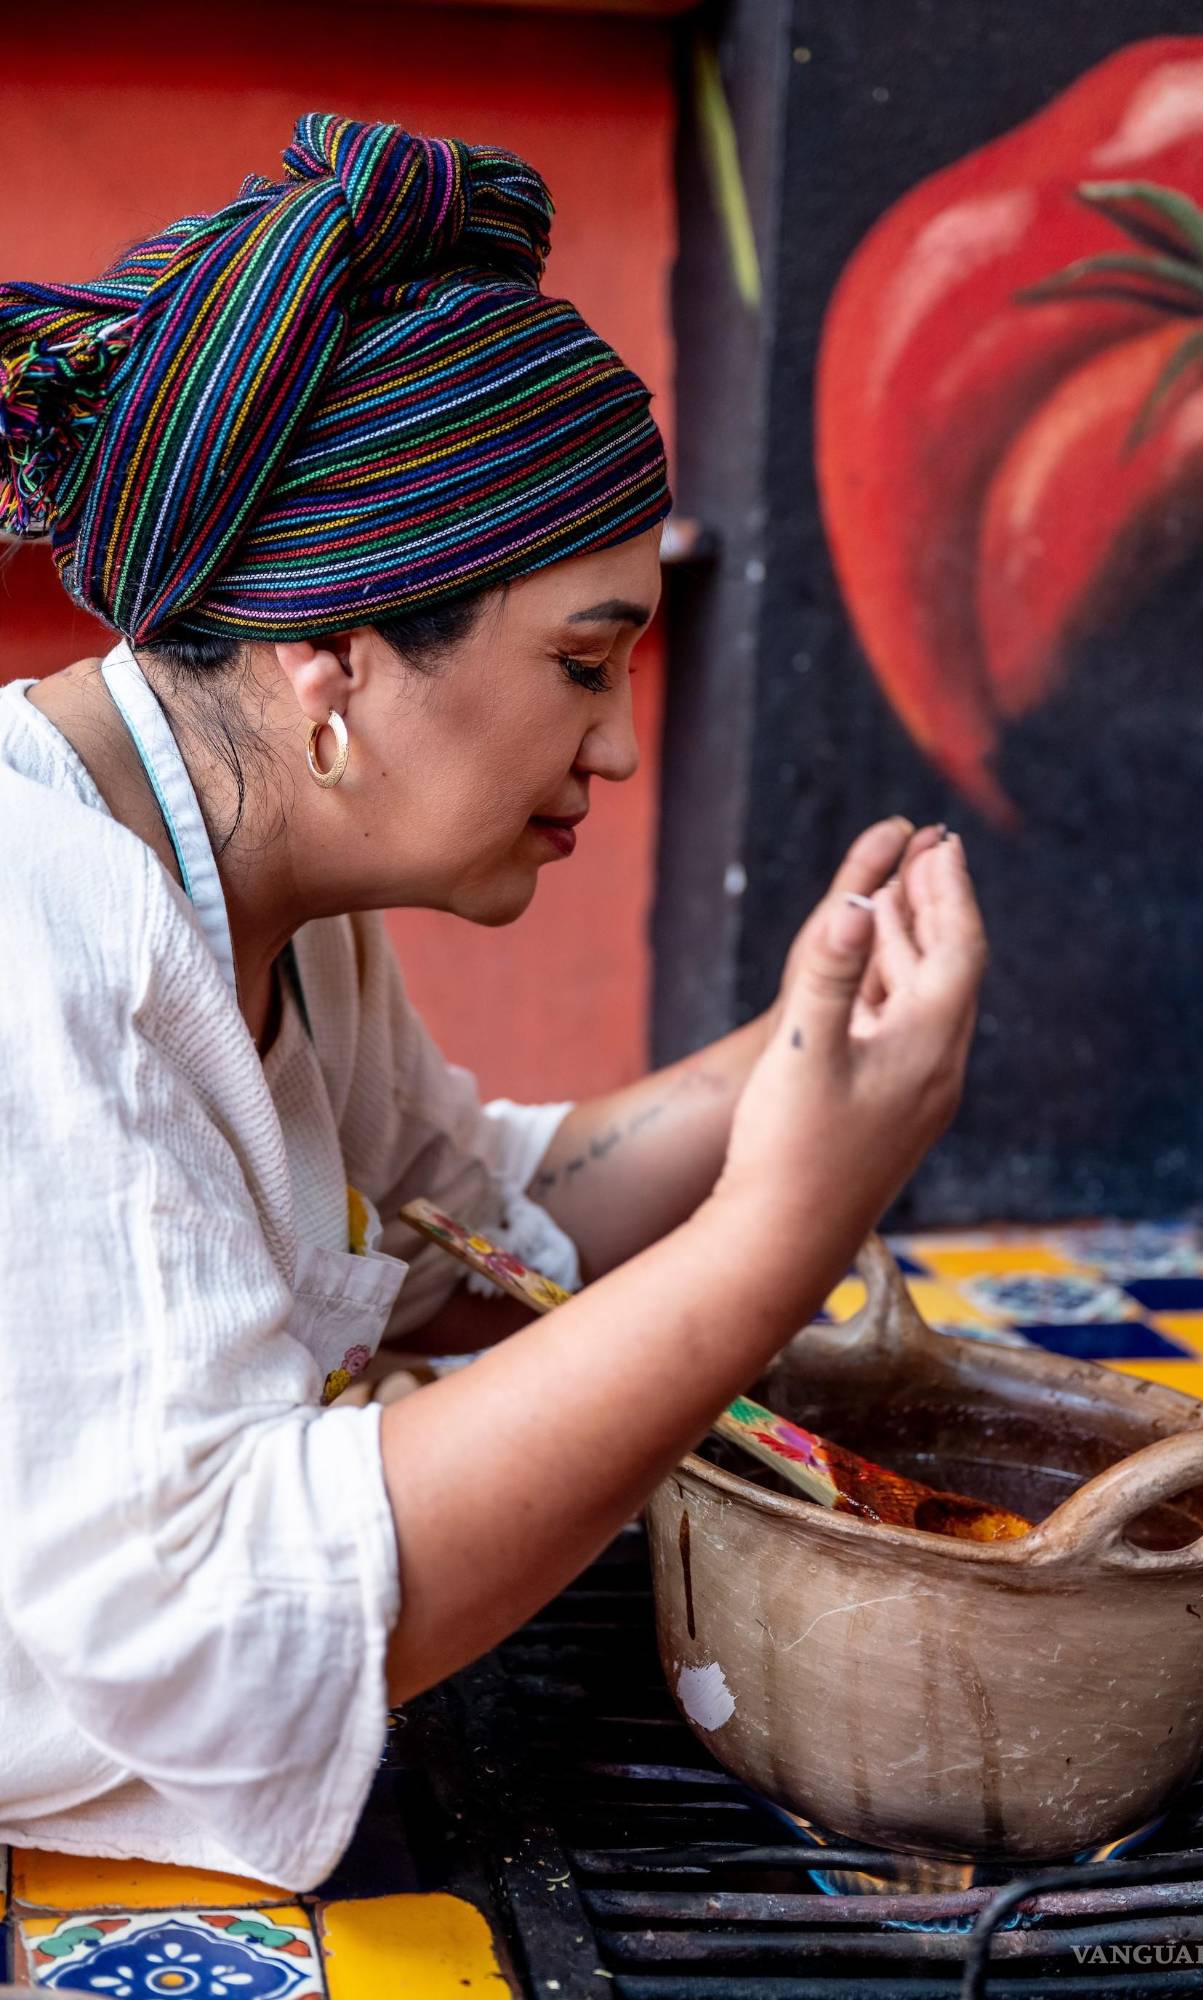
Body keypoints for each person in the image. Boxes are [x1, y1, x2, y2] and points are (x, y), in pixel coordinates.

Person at [0, 114, 986, 1890]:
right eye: (580, 663)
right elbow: (220, 1641)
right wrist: (787, 1221)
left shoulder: (256, 880)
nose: (613, 741)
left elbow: (472, 1234)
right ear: (337, 656)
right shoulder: (35, 928)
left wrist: (799, 1050)